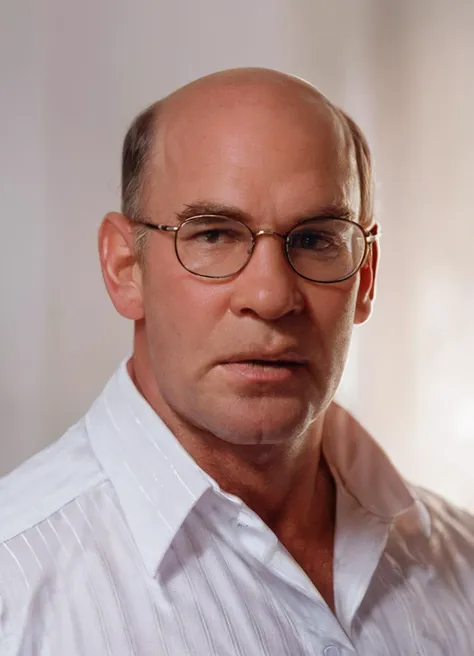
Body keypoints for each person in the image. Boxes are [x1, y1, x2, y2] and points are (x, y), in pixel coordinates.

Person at [0, 68, 473, 656]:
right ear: (126, 269)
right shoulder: (14, 595)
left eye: (315, 239)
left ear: (367, 277)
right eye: (214, 234)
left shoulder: (462, 565)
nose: (272, 296)